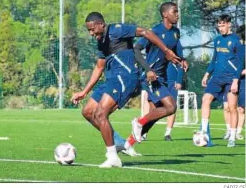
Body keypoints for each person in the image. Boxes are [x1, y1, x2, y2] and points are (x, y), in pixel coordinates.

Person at [71, 12, 181, 168]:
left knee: (100, 113)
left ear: (101, 24)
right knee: (88, 112)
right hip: (111, 79)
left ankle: (112, 156)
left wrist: (166, 50)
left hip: (125, 77)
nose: (91, 33)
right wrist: (84, 91)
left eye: (92, 29)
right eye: (88, 30)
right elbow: (99, 67)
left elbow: (145, 32)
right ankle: (120, 143)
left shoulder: (116, 30)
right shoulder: (101, 43)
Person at [123, 2, 188, 151]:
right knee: (171, 107)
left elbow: (177, 52)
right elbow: (137, 50)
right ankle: (138, 121)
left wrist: (183, 61)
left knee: (154, 116)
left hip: (163, 77)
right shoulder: (155, 31)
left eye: (178, 12)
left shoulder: (176, 32)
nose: (177, 14)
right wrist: (147, 69)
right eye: (175, 12)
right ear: (165, 14)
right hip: (151, 77)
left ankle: (127, 145)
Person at [201, 15, 244, 147]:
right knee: (205, 99)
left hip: (231, 79)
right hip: (217, 78)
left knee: (232, 108)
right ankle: (203, 131)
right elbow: (214, 59)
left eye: (223, 25)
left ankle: (232, 137)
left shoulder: (237, 40)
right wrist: (207, 74)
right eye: (219, 25)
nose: (221, 28)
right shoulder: (217, 40)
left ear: (229, 24)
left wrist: (236, 80)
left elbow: (241, 62)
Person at [223, 25, 245, 140]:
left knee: (241, 108)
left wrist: (241, 72)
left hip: (243, 81)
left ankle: (238, 132)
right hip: (230, 79)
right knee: (227, 106)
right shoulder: (234, 48)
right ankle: (229, 130)